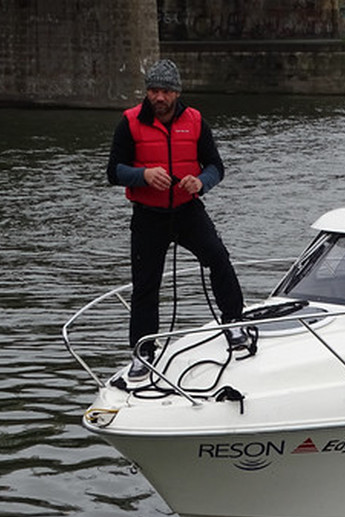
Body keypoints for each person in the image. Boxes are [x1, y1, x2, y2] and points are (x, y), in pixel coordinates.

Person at [106, 59, 247, 381]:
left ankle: (234, 325)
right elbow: (113, 172)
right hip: (148, 216)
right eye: (154, 90)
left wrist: (201, 182)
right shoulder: (129, 122)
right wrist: (142, 175)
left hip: (187, 212)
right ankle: (143, 352)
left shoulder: (195, 121)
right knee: (146, 285)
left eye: (166, 91)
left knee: (219, 258)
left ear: (176, 93)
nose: (159, 97)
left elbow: (215, 167)